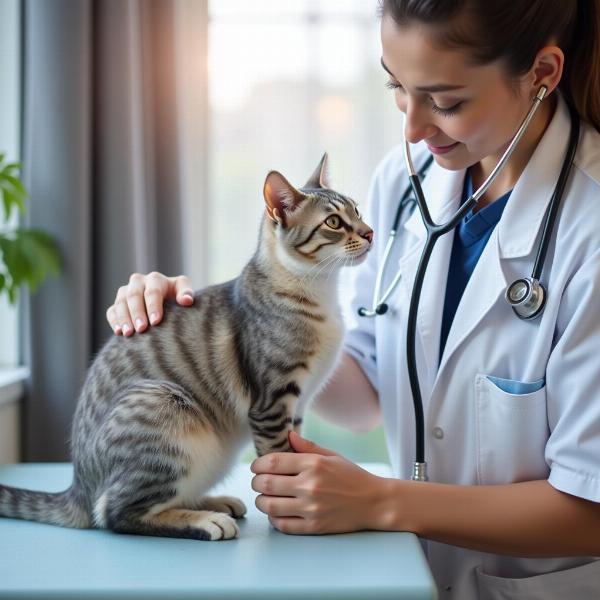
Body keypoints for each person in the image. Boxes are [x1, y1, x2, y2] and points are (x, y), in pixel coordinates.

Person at [105, 1, 600, 597]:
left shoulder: (589, 228)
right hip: (403, 577)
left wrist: (382, 501)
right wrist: (220, 331)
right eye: (396, 86)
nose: (412, 128)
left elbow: (589, 508)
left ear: (543, 72)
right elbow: (364, 393)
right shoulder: (403, 180)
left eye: (444, 101)